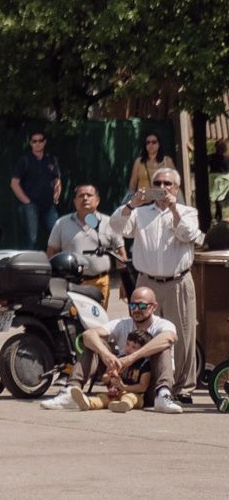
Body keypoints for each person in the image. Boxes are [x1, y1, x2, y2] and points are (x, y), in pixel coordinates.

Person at [105, 169, 201, 404]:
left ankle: (182, 388)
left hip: (177, 280)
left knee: (181, 335)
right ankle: (147, 384)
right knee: (142, 334)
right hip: (146, 281)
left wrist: (174, 208)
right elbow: (115, 228)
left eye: (168, 183)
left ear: (176, 188)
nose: (162, 186)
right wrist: (132, 204)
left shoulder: (188, 211)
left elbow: (188, 234)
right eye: (157, 182)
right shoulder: (141, 212)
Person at [67, 285, 180, 414]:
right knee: (95, 342)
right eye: (132, 305)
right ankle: (71, 390)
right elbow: (88, 335)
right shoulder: (122, 324)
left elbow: (169, 337)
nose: (136, 309)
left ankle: (163, 394)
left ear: (154, 306)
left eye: (142, 306)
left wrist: (131, 358)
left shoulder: (162, 324)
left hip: (150, 387)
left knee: (162, 347)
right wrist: (105, 355)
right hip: (119, 385)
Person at [44, 184, 119, 311]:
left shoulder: (109, 222)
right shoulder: (62, 223)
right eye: (81, 196)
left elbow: (120, 253)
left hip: (100, 284)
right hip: (72, 285)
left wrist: (125, 285)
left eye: (89, 195)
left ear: (98, 200)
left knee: (98, 324)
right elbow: (51, 252)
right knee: (74, 323)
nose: (85, 198)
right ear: (74, 201)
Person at [10, 130, 63, 249]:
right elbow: (14, 183)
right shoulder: (25, 160)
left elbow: (57, 180)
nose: (37, 143)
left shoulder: (51, 159)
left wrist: (56, 195)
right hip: (31, 206)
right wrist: (27, 202)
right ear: (30, 143)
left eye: (40, 140)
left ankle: (58, 263)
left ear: (44, 142)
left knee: (57, 234)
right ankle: (27, 265)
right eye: (34, 141)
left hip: (49, 205)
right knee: (31, 238)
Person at [129, 131, 170, 198]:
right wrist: (131, 198)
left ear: (159, 144)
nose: (150, 145)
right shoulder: (139, 161)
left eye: (154, 142)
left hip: (161, 200)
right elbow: (133, 183)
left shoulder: (167, 161)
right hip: (142, 201)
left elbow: (174, 182)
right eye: (148, 143)